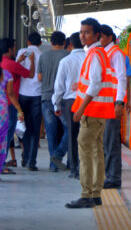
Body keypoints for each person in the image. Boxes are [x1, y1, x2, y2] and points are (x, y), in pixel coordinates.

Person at [66, 18, 117, 208]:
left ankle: (86, 195)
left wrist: (80, 108)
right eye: (81, 32)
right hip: (100, 111)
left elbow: (95, 85)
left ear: (96, 35)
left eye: (87, 32)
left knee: (85, 151)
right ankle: (95, 194)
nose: (82, 35)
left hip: (91, 111)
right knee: (96, 152)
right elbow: (95, 83)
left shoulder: (94, 54)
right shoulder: (101, 53)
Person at [52, 32, 85, 179]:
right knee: (87, 136)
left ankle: (74, 168)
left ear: (70, 45)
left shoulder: (65, 61)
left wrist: (56, 105)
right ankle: (86, 167)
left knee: (72, 135)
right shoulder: (89, 59)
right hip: (87, 101)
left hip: (70, 102)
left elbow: (59, 86)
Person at [0, 38, 33, 174]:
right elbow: (11, 93)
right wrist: (20, 110)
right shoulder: (8, 70)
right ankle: (1, 166)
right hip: (5, 108)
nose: (15, 50)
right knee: (4, 137)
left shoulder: (6, 64)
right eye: (13, 48)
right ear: (9, 49)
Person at [100, 25, 127, 189]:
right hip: (105, 103)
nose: (99, 40)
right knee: (106, 141)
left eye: (101, 37)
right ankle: (109, 174)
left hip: (112, 103)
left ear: (110, 37)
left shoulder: (115, 53)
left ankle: (114, 177)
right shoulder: (105, 53)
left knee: (111, 142)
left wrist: (119, 102)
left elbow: (121, 78)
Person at [38, 31, 69, 172]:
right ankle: (60, 156)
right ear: (64, 42)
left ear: (51, 42)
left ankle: (53, 165)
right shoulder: (68, 56)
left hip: (46, 97)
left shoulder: (43, 56)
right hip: (63, 98)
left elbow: (39, 77)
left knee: (51, 132)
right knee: (68, 130)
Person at [17, 32, 42, 171]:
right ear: (39, 43)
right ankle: (31, 161)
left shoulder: (23, 51)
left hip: (22, 94)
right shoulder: (42, 54)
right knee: (35, 129)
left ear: (28, 42)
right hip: (37, 95)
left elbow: (17, 66)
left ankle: (25, 157)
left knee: (24, 127)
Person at [0, 67, 24, 177]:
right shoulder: (6, 73)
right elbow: (10, 93)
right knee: (2, 140)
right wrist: (19, 110)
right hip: (2, 109)